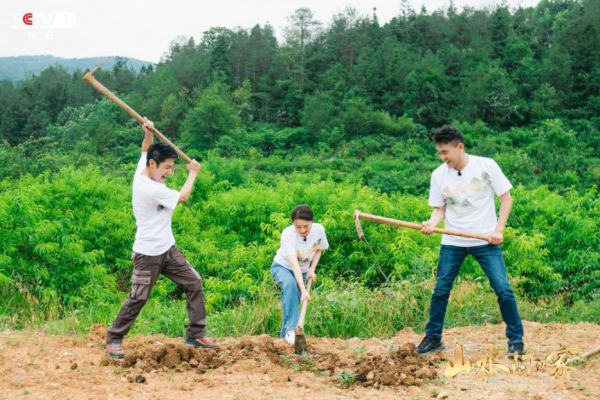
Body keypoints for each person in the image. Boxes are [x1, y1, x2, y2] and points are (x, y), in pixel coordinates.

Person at [105, 119, 218, 359]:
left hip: (168, 249)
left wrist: (147, 132)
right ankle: (114, 338)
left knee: (194, 282)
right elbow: (184, 197)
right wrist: (193, 173)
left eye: (172, 168)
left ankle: (195, 334)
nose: (169, 173)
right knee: (139, 297)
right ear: (153, 165)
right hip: (147, 254)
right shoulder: (149, 188)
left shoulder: (144, 166)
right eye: (166, 167)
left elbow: (145, 149)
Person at [417, 125, 525, 357]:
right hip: (453, 240)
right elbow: (439, 209)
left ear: (460, 147)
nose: (442, 157)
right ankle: (433, 338)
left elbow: (506, 199)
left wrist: (499, 229)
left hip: (485, 239)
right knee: (440, 290)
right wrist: (432, 223)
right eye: (439, 152)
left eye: (445, 152)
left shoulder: (486, 165)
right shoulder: (438, 175)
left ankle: (516, 340)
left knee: (503, 289)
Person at [271, 204, 329, 344]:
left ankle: (286, 338)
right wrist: (303, 290)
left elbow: (319, 249)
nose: (302, 230)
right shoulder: (287, 234)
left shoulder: (319, 230)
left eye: (306, 226)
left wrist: (311, 269)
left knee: (292, 302)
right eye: (298, 227)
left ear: (312, 222)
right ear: (293, 224)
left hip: (303, 270)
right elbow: (294, 265)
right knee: (290, 285)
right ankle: (291, 330)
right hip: (283, 266)